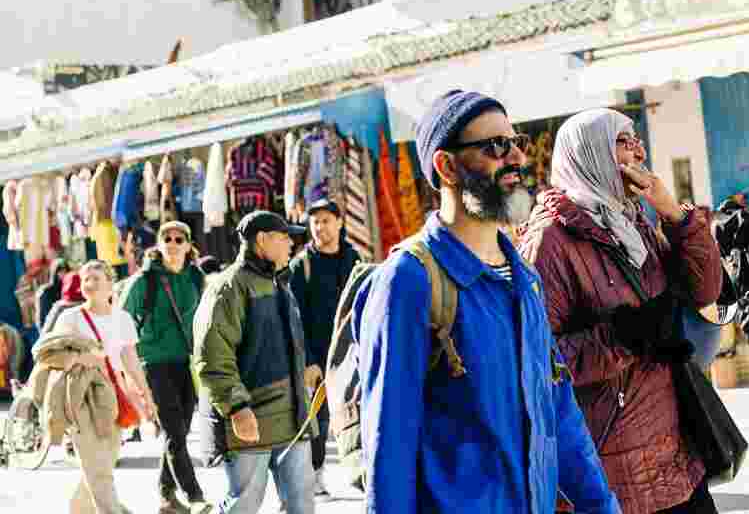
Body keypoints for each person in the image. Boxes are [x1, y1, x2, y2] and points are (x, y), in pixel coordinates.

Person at [353, 90, 620, 514]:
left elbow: (560, 415)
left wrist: (602, 506)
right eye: (495, 146)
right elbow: (389, 451)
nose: (515, 158)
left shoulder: (524, 280)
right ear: (446, 165)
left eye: (515, 143)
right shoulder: (409, 281)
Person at [520, 108, 724, 514]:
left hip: (675, 450)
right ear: (589, 153)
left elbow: (706, 290)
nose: (639, 150)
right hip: (611, 466)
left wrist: (674, 215)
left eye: (636, 138)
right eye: (623, 141)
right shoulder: (550, 241)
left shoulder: (633, 222)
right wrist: (622, 338)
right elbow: (539, 360)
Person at [193, 210, 317, 514]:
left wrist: (308, 366)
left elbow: (285, 341)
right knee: (244, 503)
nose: (291, 243)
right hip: (252, 418)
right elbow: (212, 355)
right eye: (284, 236)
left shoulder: (279, 283)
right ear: (262, 240)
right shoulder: (229, 287)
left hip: (293, 417)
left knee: (302, 503)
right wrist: (237, 407)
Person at [120, 221, 212, 514]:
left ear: (188, 245)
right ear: (159, 245)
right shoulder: (143, 281)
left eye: (179, 239)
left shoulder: (197, 278)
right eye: (167, 239)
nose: (172, 244)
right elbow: (122, 323)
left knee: (181, 431)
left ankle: (166, 496)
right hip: (154, 366)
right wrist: (130, 367)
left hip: (187, 364)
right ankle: (194, 495)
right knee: (174, 431)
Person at [54, 260, 156, 514]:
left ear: (110, 284)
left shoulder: (122, 319)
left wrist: (146, 397)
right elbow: (51, 355)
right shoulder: (70, 317)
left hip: (113, 396)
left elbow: (130, 360)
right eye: (85, 279)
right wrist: (82, 358)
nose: (88, 284)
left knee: (105, 463)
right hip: (80, 395)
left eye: (96, 279)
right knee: (96, 467)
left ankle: (79, 510)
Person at [288, 198, 362, 496]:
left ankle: (361, 469)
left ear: (339, 222)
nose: (320, 227)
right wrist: (307, 360)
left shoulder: (353, 259)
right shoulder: (301, 265)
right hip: (317, 357)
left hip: (353, 353)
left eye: (326, 220)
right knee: (316, 420)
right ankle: (314, 475)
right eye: (315, 221)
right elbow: (294, 318)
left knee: (357, 412)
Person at [36, 258, 71, 331]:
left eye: (66, 271)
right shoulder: (46, 291)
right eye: (60, 271)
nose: (63, 274)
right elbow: (43, 317)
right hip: (53, 329)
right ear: (54, 273)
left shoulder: (71, 289)